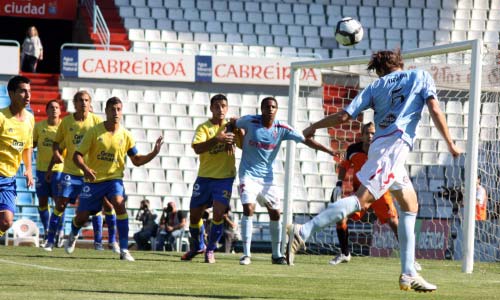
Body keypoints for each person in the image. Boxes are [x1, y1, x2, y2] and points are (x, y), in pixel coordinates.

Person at [287, 49, 461, 293]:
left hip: (385, 147)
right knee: (361, 200)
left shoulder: (375, 86)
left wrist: (314, 125)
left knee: (411, 205)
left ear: (379, 70)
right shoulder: (420, 76)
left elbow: (344, 116)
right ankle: (303, 230)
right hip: (393, 147)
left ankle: (408, 273)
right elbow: (434, 108)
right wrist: (451, 144)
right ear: (400, 62)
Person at [233, 96, 334, 265]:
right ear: (261, 109)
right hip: (248, 175)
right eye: (267, 107)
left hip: (267, 178)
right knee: (248, 208)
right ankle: (246, 254)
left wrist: (329, 151)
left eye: (273, 107)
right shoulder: (250, 121)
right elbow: (233, 123)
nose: (270, 109)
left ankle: (276, 254)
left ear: (276, 109)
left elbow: (305, 139)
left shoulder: (281, 128)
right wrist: (232, 135)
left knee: (275, 213)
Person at [65, 97, 163, 261]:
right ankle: (74, 233)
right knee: (81, 217)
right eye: (112, 109)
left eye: (119, 109)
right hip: (93, 180)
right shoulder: (94, 131)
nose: (116, 113)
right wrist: (86, 169)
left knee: (118, 202)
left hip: (114, 180)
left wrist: (154, 153)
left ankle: (124, 249)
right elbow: (77, 156)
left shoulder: (126, 135)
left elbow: (137, 160)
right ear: (106, 111)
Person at [43, 91, 118, 252]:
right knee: (60, 204)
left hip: (91, 173)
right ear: (74, 103)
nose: (83, 103)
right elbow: (56, 143)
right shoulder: (66, 122)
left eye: (86, 100)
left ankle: (104, 242)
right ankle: (50, 241)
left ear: (90, 103)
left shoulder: (97, 121)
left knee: (103, 205)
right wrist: (56, 154)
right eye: (80, 100)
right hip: (70, 171)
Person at [181, 94, 239, 263]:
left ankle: (211, 249)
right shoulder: (203, 128)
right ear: (211, 108)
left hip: (224, 178)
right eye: (217, 106)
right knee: (194, 216)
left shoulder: (232, 126)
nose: (220, 109)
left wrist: (238, 129)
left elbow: (244, 139)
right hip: (204, 177)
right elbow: (197, 148)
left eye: (223, 106)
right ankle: (199, 245)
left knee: (219, 213)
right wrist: (216, 139)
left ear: (227, 108)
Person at [0, 76, 34, 240]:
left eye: (29, 91)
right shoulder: (1, 117)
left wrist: (28, 169)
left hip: (9, 179)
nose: (27, 95)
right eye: (22, 91)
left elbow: (27, 146)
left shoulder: (30, 118)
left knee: (6, 222)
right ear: (11, 94)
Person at [33, 100, 64, 243]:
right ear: (46, 110)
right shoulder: (39, 127)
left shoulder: (64, 127)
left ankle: (59, 231)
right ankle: (46, 230)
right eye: (51, 107)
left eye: (57, 107)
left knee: (59, 203)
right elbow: (31, 144)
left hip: (58, 171)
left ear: (60, 110)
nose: (54, 110)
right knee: (42, 202)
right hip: (40, 170)